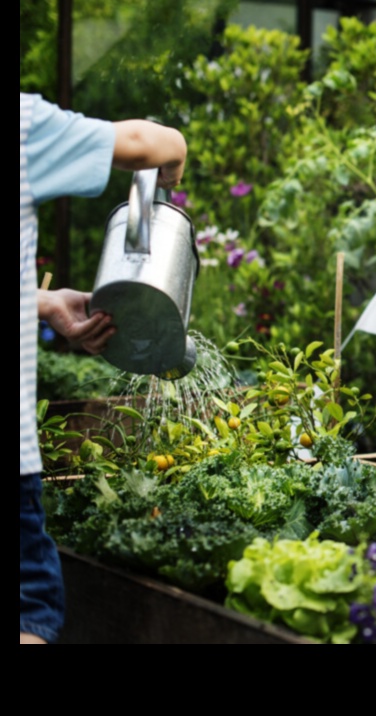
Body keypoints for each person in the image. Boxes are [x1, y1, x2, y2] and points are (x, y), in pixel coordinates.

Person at [20, 92, 186, 643]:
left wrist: (44, 304)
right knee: (30, 607)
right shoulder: (24, 125)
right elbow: (145, 144)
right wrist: (174, 148)